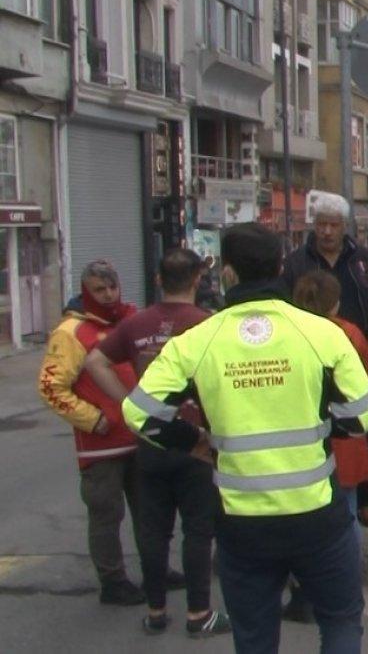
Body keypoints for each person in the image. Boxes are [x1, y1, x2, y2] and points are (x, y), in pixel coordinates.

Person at [122, 223, 368, 654]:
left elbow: (139, 411)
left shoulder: (198, 340)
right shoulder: (321, 333)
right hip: (316, 515)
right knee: (339, 621)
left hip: (242, 521)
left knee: (255, 637)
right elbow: (362, 414)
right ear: (281, 265)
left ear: (226, 273)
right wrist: (320, 427)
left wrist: (194, 441)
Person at [85, 249, 231, 638]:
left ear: (158, 280)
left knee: (153, 530)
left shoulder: (137, 325)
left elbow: (94, 362)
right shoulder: (209, 324)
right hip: (196, 440)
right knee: (198, 530)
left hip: (150, 440)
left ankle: (155, 610)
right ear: (198, 280)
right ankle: (199, 614)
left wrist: (128, 402)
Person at [37, 260, 146, 606]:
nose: (109, 295)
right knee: (106, 515)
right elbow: (51, 387)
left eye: (113, 287)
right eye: (100, 290)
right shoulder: (70, 333)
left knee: (149, 512)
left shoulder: (130, 320)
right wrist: (93, 419)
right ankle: (113, 581)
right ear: (86, 292)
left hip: (139, 439)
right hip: (100, 447)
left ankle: (154, 569)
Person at [282, 191, 368, 530]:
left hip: (356, 354)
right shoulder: (297, 262)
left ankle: (364, 499)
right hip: (308, 358)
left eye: (333, 225)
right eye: (321, 225)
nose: (327, 232)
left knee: (361, 432)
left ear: (345, 226)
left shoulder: (364, 260)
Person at [292, 270, 368, 535]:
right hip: (344, 439)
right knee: (347, 516)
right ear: (335, 303)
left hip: (298, 444)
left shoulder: (289, 333)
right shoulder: (349, 334)